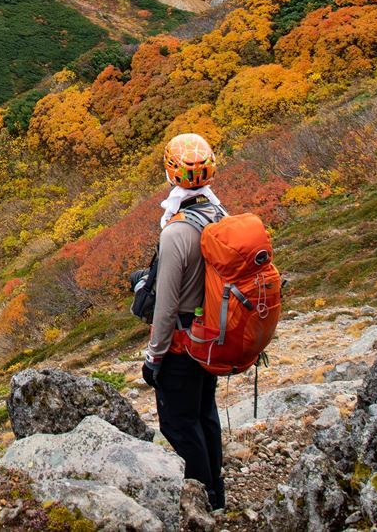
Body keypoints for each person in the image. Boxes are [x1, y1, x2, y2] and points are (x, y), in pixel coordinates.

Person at [141, 132, 228, 511]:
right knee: (204, 413)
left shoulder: (177, 230)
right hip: (210, 336)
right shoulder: (218, 214)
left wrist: (154, 356)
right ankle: (216, 492)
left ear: (170, 172)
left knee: (178, 423)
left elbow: (166, 302)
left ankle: (201, 499)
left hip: (182, 343)